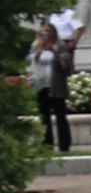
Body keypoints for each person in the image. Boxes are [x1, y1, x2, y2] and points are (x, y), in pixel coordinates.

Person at [28, 21, 71, 151]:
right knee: (44, 116)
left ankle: (64, 145)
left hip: (56, 85)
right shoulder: (36, 46)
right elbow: (30, 62)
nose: (45, 36)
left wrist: (53, 50)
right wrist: (40, 50)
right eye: (43, 33)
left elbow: (66, 66)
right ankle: (47, 144)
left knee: (60, 116)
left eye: (48, 33)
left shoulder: (60, 46)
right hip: (42, 85)